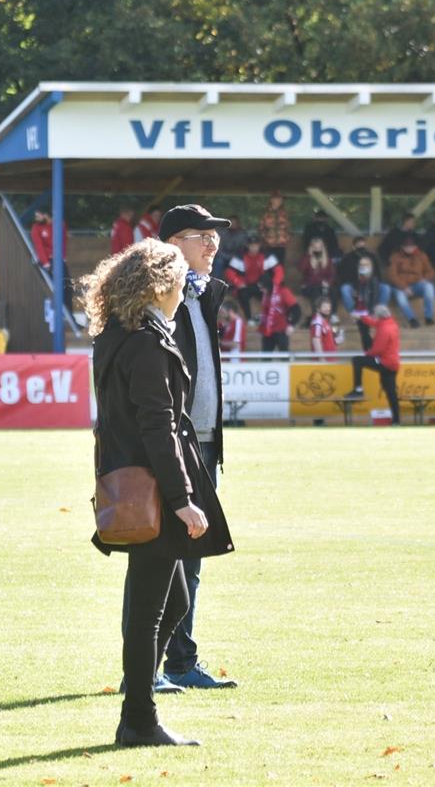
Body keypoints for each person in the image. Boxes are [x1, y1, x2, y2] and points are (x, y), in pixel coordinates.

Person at [81, 238, 234, 747]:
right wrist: (182, 498)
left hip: (129, 482)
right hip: (152, 490)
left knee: (171, 605)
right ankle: (138, 720)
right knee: (152, 611)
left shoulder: (117, 336)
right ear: (162, 286)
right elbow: (160, 426)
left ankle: (139, 704)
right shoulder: (148, 341)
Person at [156, 204, 239, 691]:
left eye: (214, 236)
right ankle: (146, 668)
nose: (211, 244)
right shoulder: (157, 301)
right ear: (171, 245)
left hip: (204, 444)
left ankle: (181, 662)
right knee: (159, 560)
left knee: (191, 559)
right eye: (199, 235)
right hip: (175, 443)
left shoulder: (201, 296)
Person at [346, 304, 401, 424]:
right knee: (391, 392)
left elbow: (377, 350)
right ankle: (396, 420)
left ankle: (358, 389)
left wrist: (367, 354)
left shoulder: (384, 329)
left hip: (384, 362)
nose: (374, 317)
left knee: (357, 361)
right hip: (393, 364)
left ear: (379, 316)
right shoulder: (389, 323)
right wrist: (362, 318)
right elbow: (373, 323)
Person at [387, 234, 435, 328]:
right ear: (402, 247)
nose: (409, 248)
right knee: (400, 296)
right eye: (407, 246)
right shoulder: (395, 257)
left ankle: (428, 317)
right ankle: (412, 319)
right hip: (401, 286)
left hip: (417, 284)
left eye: (412, 246)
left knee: (429, 287)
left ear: (416, 246)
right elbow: (392, 275)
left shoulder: (422, 255)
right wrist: (404, 287)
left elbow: (431, 271)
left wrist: (424, 278)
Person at [31, 207, 73, 312]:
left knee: (68, 287)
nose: (36, 218)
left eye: (38, 215)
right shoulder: (36, 228)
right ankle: (61, 314)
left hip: (59, 260)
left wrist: (63, 258)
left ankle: (69, 316)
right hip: (49, 261)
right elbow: (39, 246)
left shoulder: (59, 225)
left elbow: (63, 242)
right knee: (58, 288)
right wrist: (46, 263)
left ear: (46, 215)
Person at [225, 235, 275, 320]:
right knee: (242, 294)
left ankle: (269, 317)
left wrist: (274, 284)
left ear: (259, 245)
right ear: (247, 246)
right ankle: (249, 318)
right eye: (252, 245)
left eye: (256, 245)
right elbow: (229, 272)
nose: (254, 247)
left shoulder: (266, 256)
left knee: (270, 295)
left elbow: (278, 271)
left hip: (259, 286)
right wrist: (238, 282)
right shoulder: (239, 256)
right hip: (245, 286)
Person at [344, 257, 389, 350]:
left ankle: (369, 350)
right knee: (363, 328)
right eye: (361, 265)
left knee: (364, 329)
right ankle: (369, 350)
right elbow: (353, 293)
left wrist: (372, 312)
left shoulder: (373, 280)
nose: (363, 267)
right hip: (357, 310)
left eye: (366, 265)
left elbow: (375, 297)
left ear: (370, 267)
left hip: (368, 310)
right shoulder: (355, 279)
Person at [257, 267, 301, 352]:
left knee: (284, 356)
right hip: (268, 331)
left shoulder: (283, 292)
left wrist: (292, 325)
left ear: (268, 285)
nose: (260, 290)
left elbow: (296, 309)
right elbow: (265, 313)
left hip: (281, 330)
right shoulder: (265, 295)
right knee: (265, 358)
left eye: (262, 287)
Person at [298, 238, 337, 317]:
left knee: (333, 292)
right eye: (315, 248)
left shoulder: (327, 260)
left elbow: (332, 274)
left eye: (319, 248)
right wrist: (308, 255)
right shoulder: (307, 258)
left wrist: (328, 283)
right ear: (311, 248)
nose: (317, 250)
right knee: (316, 292)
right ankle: (316, 316)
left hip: (323, 286)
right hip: (309, 286)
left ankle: (333, 315)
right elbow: (301, 268)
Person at [338, 237, 380, 309]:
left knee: (385, 288)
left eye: (363, 246)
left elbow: (377, 273)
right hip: (352, 283)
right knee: (344, 288)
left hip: (370, 282)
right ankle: (353, 311)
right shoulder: (347, 258)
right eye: (359, 246)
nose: (361, 248)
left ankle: (376, 310)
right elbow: (342, 275)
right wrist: (354, 288)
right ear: (353, 247)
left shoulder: (371, 256)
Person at [258, 191, 291, 265]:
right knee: (269, 267)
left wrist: (286, 239)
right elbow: (261, 228)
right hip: (269, 245)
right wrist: (266, 239)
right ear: (272, 200)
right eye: (279, 198)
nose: (281, 200)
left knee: (280, 266)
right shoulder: (265, 213)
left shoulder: (284, 213)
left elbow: (288, 228)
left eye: (282, 199)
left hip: (281, 245)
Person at [214, 215, 249, 281]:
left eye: (235, 223)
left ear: (238, 224)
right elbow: (218, 249)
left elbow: (243, 249)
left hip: (236, 257)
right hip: (223, 256)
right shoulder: (221, 233)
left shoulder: (242, 234)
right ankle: (215, 282)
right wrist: (228, 257)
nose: (233, 225)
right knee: (219, 261)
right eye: (231, 223)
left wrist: (236, 257)